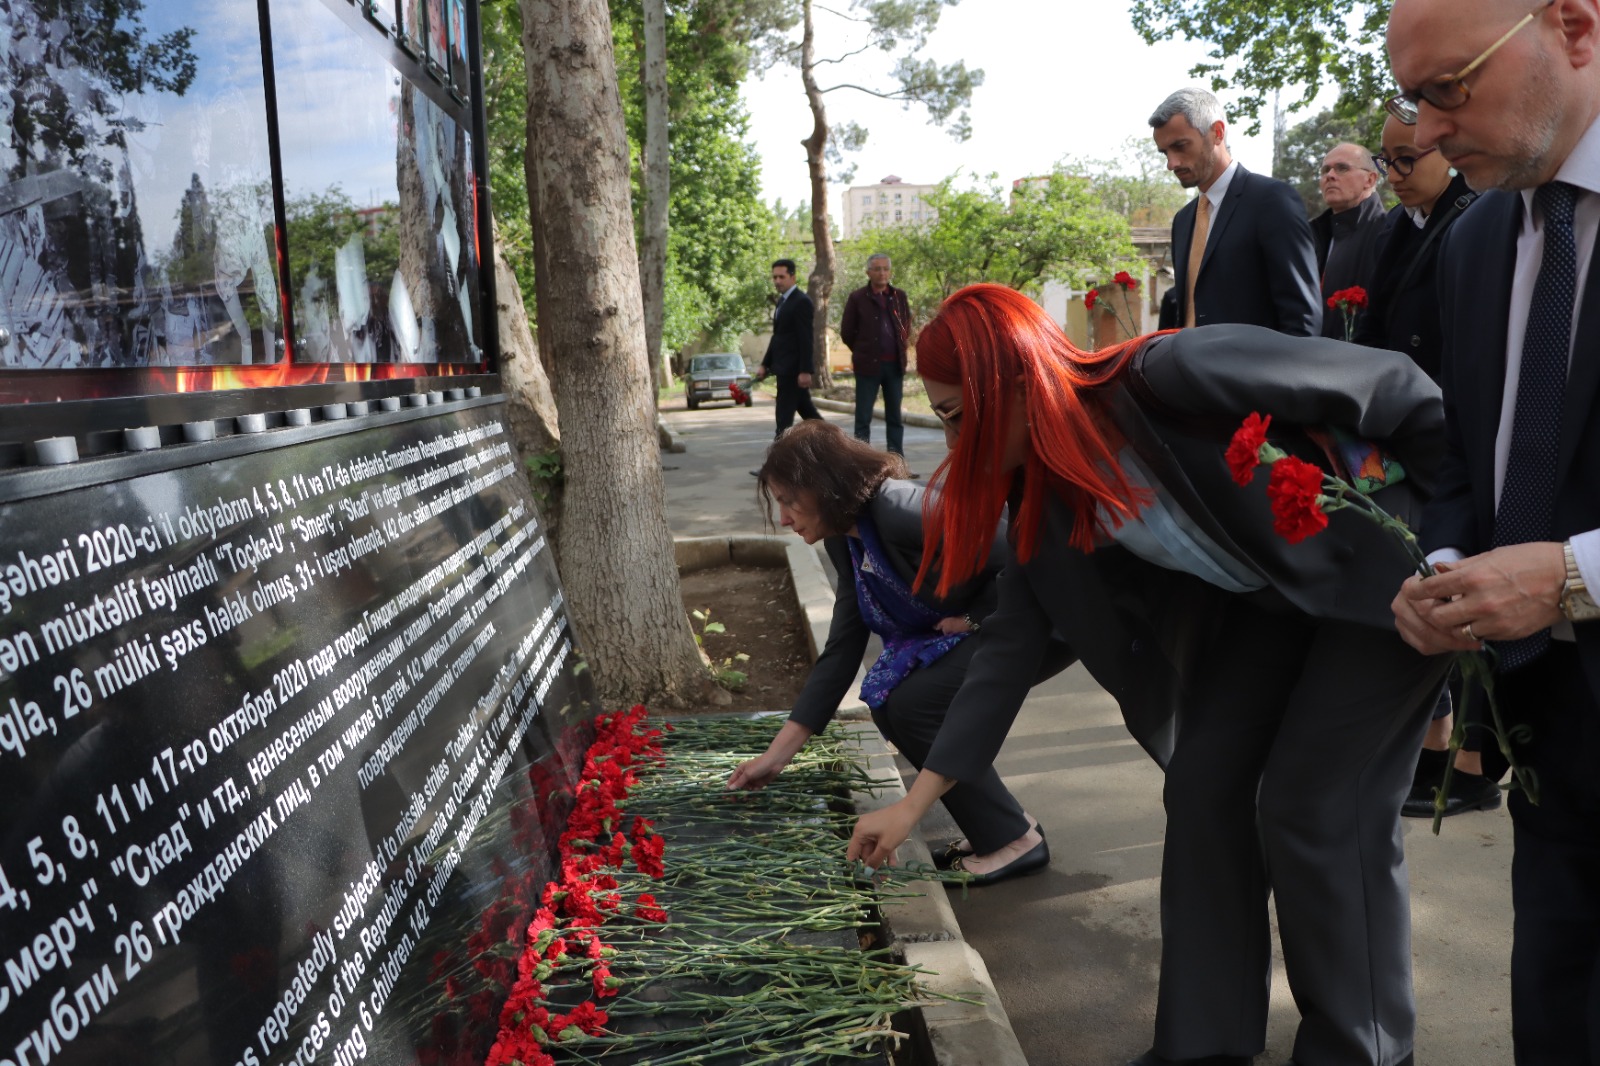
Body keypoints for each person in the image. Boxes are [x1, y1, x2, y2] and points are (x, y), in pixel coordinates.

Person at [848, 284, 1449, 1066]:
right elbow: (1003, 655)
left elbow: (1397, 386)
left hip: (1386, 585)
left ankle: (1360, 1048)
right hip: (1275, 610)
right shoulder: (1042, 499)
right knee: (1202, 786)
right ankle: (1204, 1043)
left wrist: (1454, 541)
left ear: (1018, 381)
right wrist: (914, 803)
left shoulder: (1171, 373)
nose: (957, 444)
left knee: (1316, 806)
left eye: (960, 415)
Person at [1387, 0, 1600, 1060]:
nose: (1424, 131)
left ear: (1573, 27)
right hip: (1548, 733)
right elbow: (1464, 453)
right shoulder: (1473, 241)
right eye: (1410, 97)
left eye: (1448, 88)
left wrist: (1574, 574)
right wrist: (1444, 566)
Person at [727, 420, 1063, 883]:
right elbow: (844, 643)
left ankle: (1015, 842)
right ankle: (1001, 828)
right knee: (892, 701)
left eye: (788, 501)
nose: (783, 518)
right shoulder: (844, 536)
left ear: (823, 486)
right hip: (993, 623)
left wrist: (974, 617)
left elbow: (1018, 553)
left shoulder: (899, 508)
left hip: (1044, 619)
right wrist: (778, 755)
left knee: (919, 704)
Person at [1354, 115, 1489, 818]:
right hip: (1405, 435)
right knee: (1427, 589)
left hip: (1457, 433)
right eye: (1387, 160)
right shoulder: (1396, 228)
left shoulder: (1477, 215)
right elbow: (1378, 326)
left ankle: (1474, 761)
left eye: (1407, 159)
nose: (1395, 175)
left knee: (1469, 592)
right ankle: (1439, 745)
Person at [1150, 88, 1322, 335]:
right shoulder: (1183, 220)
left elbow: (1302, 320)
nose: (1171, 163)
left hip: (1256, 361)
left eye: (1180, 146)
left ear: (1217, 133)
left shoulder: (1272, 201)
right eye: (1165, 152)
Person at [839, 254, 915, 467]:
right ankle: (861, 464)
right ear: (868, 272)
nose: (882, 273)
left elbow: (906, 326)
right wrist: (863, 350)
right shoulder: (857, 298)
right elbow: (847, 332)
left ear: (890, 272)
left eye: (885, 269)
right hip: (868, 366)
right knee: (863, 417)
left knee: (895, 417)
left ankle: (897, 463)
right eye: (877, 269)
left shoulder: (899, 296)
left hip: (894, 365)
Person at [1312, 143, 1394, 339]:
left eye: (1342, 168)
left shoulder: (1389, 232)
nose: (1330, 175)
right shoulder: (1311, 236)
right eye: (1325, 170)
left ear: (1370, 179)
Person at [756, 258, 821, 438]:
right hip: (784, 369)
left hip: (793, 371)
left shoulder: (801, 302)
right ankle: (834, 444)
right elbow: (778, 337)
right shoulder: (782, 302)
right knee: (809, 415)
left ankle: (778, 456)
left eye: (781, 277)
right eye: (774, 277)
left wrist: (805, 370)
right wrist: (765, 364)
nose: (777, 281)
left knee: (783, 420)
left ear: (793, 277)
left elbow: (806, 338)